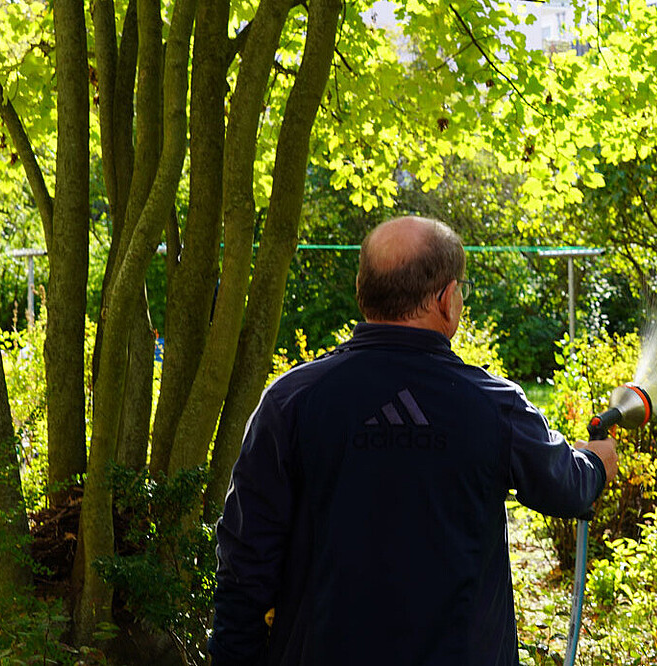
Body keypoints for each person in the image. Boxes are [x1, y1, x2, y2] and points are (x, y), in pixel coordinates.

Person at [209, 216, 617, 665]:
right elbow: (568, 488)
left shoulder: (291, 401)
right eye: (459, 288)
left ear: (362, 290)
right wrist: (596, 462)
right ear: (447, 299)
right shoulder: (492, 406)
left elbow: (244, 564)